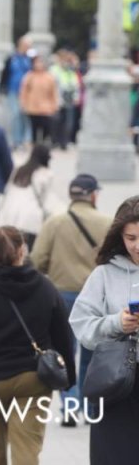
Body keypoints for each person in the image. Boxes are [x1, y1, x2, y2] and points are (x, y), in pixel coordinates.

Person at [0, 226, 75, 465]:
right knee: (27, 450)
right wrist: (69, 377)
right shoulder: (45, 287)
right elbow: (62, 335)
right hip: (33, 378)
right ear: (22, 250)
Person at [31, 173, 113, 424]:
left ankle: (69, 405)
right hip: (96, 296)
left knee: (65, 352)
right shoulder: (108, 222)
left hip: (62, 295)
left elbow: (37, 260)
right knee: (92, 353)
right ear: (93, 195)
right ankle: (90, 408)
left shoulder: (55, 223)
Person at [69, 196, 139, 464]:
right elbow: (81, 325)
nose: (136, 245)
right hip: (117, 383)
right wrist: (116, 323)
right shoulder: (104, 275)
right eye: (130, 237)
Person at [0, 144, 60, 248]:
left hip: (10, 214)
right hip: (31, 218)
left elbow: (7, 190)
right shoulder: (46, 174)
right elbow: (46, 200)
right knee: (30, 250)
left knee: (12, 248)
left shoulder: (19, 170)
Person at [0, 37, 34, 149]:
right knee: (15, 115)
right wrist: (0, 90)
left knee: (25, 116)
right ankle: (16, 140)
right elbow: (4, 74)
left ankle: (25, 140)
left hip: (28, 92)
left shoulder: (30, 59)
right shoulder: (12, 58)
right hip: (13, 90)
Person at [19, 55, 59, 146]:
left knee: (45, 130)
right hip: (32, 107)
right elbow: (24, 91)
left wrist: (54, 105)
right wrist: (23, 103)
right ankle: (34, 147)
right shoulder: (29, 76)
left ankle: (43, 147)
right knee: (34, 129)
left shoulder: (49, 77)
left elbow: (53, 93)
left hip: (46, 108)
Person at [50, 50, 80, 149]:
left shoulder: (70, 71)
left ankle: (65, 142)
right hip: (58, 98)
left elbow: (76, 85)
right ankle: (56, 141)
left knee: (68, 123)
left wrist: (76, 96)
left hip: (69, 99)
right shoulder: (54, 69)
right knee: (57, 121)